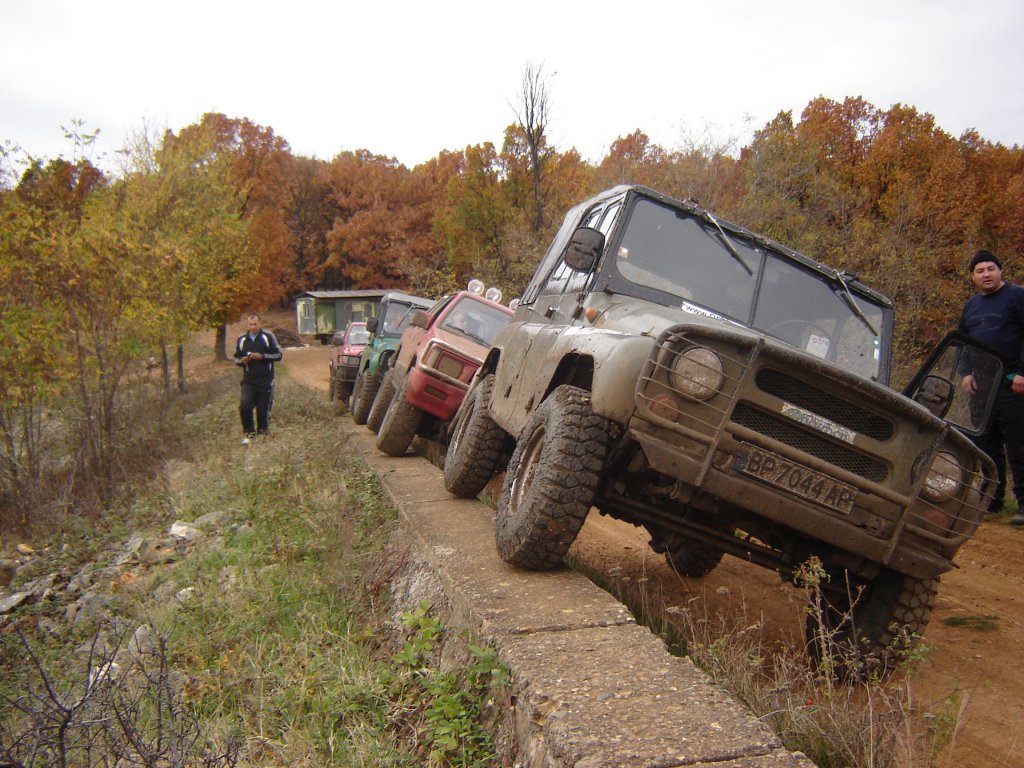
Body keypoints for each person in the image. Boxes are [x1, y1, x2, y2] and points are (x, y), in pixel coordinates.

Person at [957, 249, 1024, 523]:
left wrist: (1022, 372)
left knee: (1018, 445)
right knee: (985, 445)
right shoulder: (972, 306)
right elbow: (962, 341)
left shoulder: (1017, 296)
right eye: (980, 271)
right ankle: (992, 501)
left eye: (990, 269)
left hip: (1012, 384)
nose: (986, 274)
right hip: (982, 387)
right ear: (973, 276)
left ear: (1000, 271)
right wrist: (966, 373)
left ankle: (1023, 505)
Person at [234, 313, 283, 444]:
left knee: (262, 412)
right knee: (244, 406)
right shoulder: (242, 339)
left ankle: (263, 436)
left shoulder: (267, 337)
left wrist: (261, 357)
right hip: (248, 380)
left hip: (265, 381)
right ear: (247, 325)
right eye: (250, 324)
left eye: (255, 324)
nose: (253, 327)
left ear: (260, 323)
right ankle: (249, 434)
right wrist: (243, 361)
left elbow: (278, 355)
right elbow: (236, 358)